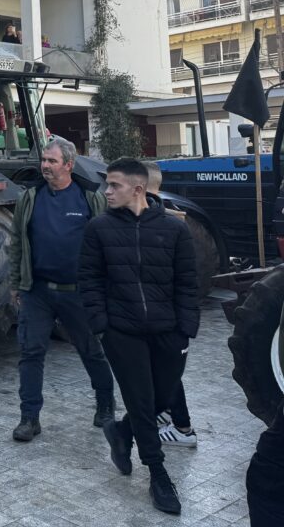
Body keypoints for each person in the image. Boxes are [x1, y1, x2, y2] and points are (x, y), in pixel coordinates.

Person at [79, 158, 199, 515]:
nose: (106, 191)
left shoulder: (174, 230)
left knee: (162, 398)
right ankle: (158, 474)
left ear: (137, 189)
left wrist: (185, 329)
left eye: (113, 185)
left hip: (168, 333)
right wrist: (103, 326)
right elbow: (89, 281)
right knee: (142, 403)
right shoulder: (98, 229)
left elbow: (188, 284)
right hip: (122, 333)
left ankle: (121, 432)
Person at [8, 138, 115, 442]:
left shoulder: (89, 198)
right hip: (37, 291)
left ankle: (105, 406)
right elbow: (17, 243)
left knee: (92, 351)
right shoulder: (29, 198)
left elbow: (105, 245)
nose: (45, 166)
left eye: (52, 161)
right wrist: (16, 284)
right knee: (30, 354)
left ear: (69, 165)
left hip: (78, 292)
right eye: (43, 160)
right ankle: (29, 418)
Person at [143, 161, 198, 448]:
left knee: (167, 371)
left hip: (165, 318)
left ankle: (183, 428)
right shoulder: (173, 221)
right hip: (165, 316)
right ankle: (164, 412)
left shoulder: (165, 226)